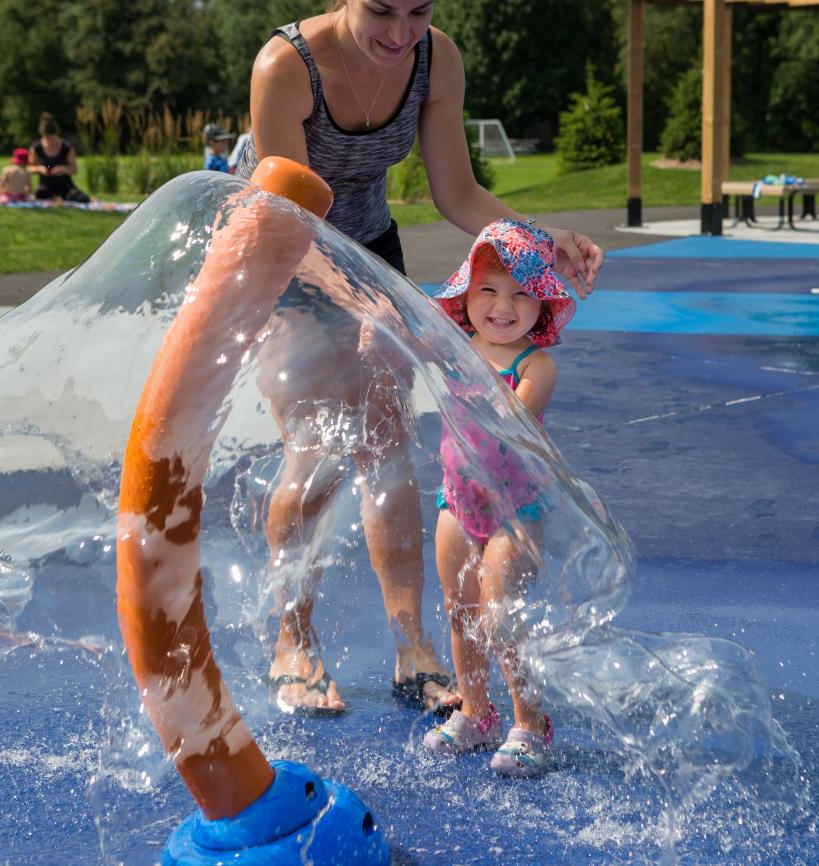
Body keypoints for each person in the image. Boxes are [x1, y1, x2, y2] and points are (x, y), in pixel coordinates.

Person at [234, 0, 603, 715]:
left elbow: (456, 191)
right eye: (381, 11)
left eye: (418, 11)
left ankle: (413, 648)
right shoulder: (287, 67)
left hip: (370, 248)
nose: (401, 34)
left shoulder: (437, 59)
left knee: (386, 443)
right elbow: (288, 219)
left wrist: (535, 237)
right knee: (313, 445)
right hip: (282, 251)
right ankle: (294, 642)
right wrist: (354, 298)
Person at [422, 219, 574, 777]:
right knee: (461, 609)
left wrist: (450, 358)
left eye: (520, 294)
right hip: (456, 501)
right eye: (488, 289)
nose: (502, 305)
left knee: (501, 614)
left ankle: (530, 724)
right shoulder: (454, 348)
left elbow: (512, 415)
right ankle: (477, 711)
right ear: (467, 293)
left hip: (515, 510)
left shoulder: (535, 367)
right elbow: (404, 349)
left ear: (543, 306)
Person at [27, 112, 91, 203]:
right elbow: (29, 168)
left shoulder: (66, 147)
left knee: (82, 199)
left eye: (51, 137)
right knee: (41, 195)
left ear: (56, 133)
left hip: (65, 186)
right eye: (46, 138)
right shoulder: (36, 147)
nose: (49, 141)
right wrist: (40, 169)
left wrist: (63, 169)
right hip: (46, 186)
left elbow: (74, 170)